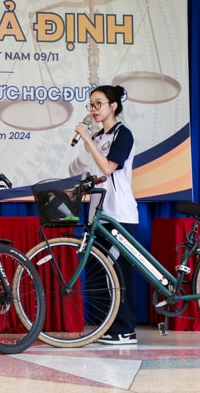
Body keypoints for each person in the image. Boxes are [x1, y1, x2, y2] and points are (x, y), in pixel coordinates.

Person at [71, 84, 139, 345]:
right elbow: (95, 174)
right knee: (102, 271)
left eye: (98, 103)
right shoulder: (99, 136)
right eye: (91, 104)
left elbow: (109, 168)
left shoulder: (123, 134)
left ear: (113, 106)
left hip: (119, 213)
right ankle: (108, 326)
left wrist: (88, 140)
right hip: (98, 212)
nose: (94, 109)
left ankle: (126, 329)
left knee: (119, 272)